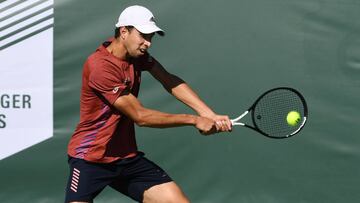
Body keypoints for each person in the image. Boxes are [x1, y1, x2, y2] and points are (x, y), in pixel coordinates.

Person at [65, 5, 232, 203]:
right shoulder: (100, 66)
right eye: (143, 35)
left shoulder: (137, 56)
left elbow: (168, 80)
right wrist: (194, 120)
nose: (148, 43)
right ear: (124, 31)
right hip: (91, 159)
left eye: (151, 37)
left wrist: (209, 114)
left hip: (127, 158)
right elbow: (140, 116)